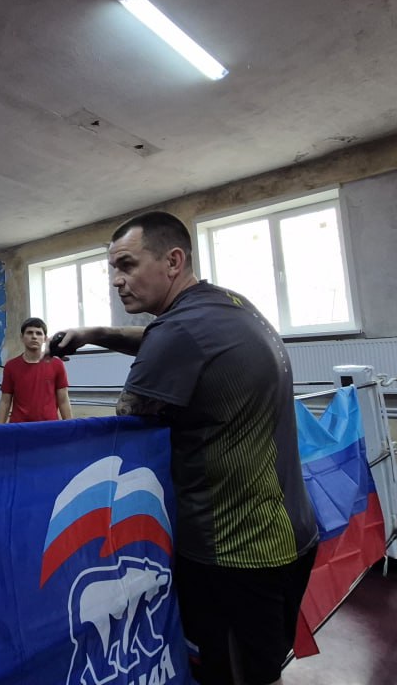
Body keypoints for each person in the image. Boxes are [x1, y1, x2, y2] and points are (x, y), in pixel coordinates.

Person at [47, 211, 318, 685]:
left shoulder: (177, 334)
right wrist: (95, 334)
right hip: (292, 532)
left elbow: (119, 437)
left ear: (173, 261)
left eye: (127, 265)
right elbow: (166, 338)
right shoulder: (229, 306)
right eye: (113, 269)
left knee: (234, 676)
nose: (116, 280)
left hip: (235, 550)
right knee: (262, 667)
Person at [0, 317, 72, 424]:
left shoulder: (57, 364)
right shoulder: (11, 366)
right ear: (22, 337)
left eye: (39, 333)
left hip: (49, 426)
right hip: (19, 427)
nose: (34, 337)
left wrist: (70, 428)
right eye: (29, 333)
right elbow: (5, 401)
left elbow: (63, 400)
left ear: (45, 338)